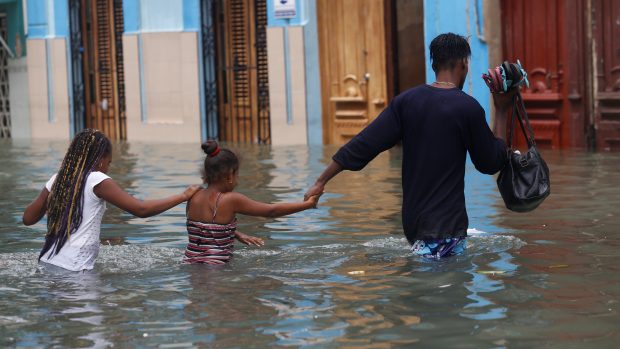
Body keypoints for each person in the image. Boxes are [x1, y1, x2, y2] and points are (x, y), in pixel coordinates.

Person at [304, 33, 514, 259]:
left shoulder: (406, 102)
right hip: (446, 229)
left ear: (433, 64)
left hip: (414, 227)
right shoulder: (468, 108)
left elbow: (363, 145)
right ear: (464, 64)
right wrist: (501, 110)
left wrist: (321, 181)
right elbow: (491, 163)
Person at [22, 129, 201, 271]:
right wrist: (183, 196)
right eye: (109, 162)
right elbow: (141, 210)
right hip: (76, 270)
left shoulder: (58, 179)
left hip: (48, 264)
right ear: (100, 160)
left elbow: (28, 219)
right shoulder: (96, 180)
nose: (108, 167)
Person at [184, 141, 321, 264]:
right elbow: (271, 211)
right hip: (217, 270)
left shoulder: (194, 196)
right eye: (237, 175)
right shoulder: (231, 199)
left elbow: (206, 228)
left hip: (189, 263)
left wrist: (236, 233)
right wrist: (308, 204)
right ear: (230, 175)